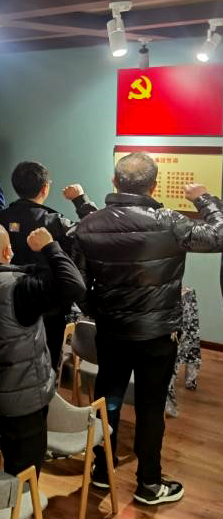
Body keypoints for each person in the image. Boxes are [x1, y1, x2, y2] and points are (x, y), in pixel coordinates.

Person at [73, 152, 223, 505]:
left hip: (111, 331)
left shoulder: (89, 225)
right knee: (150, 407)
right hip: (157, 335)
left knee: (107, 401)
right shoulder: (169, 221)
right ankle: (149, 484)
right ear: (154, 186)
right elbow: (218, 236)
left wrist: (100, 311)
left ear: (114, 182)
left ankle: (101, 471)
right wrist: (204, 198)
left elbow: (77, 287)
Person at [0, 219, 85, 476]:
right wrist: (51, 248)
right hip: (22, 403)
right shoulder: (20, 287)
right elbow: (75, 287)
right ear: (7, 251)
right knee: (24, 476)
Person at [0, 162, 97, 369]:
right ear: (45, 188)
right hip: (49, 310)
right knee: (46, 365)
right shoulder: (55, 222)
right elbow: (96, 230)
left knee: (9, 361)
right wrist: (80, 199)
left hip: (5, 304)